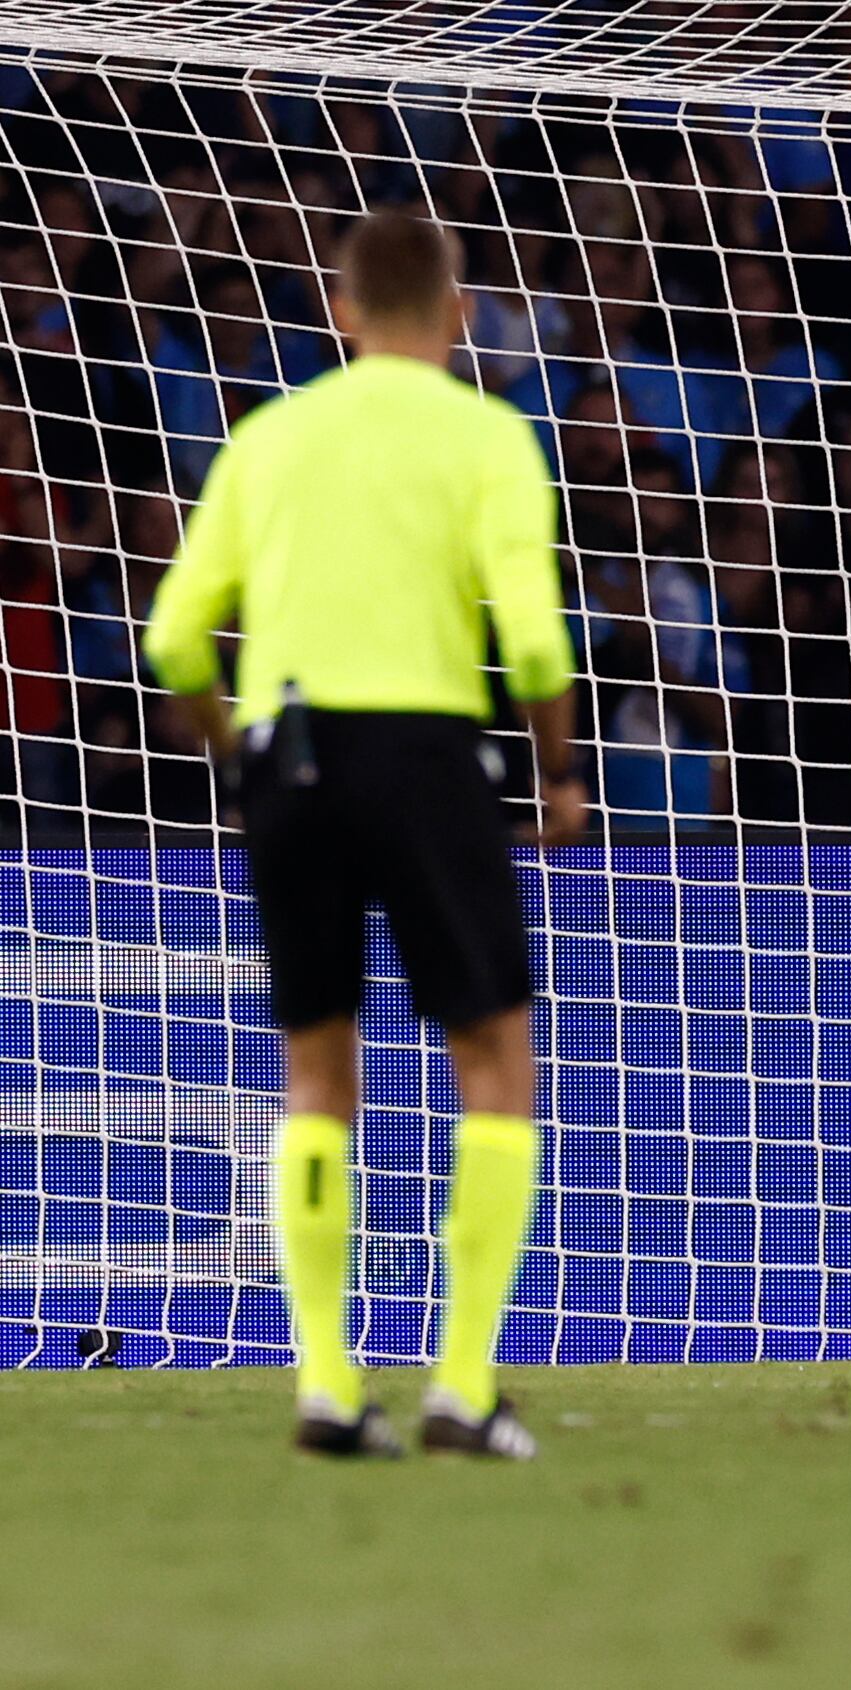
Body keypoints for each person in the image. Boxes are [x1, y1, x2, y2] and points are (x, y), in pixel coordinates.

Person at [142, 209, 583, 1460]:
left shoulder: (270, 437)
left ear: (341, 311)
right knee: (491, 1057)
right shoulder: (488, 437)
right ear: (455, 315)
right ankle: (459, 1382)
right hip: (429, 756)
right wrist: (555, 776)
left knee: (316, 1074)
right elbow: (541, 642)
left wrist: (235, 751)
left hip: (292, 754)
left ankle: (329, 1386)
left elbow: (173, 639)